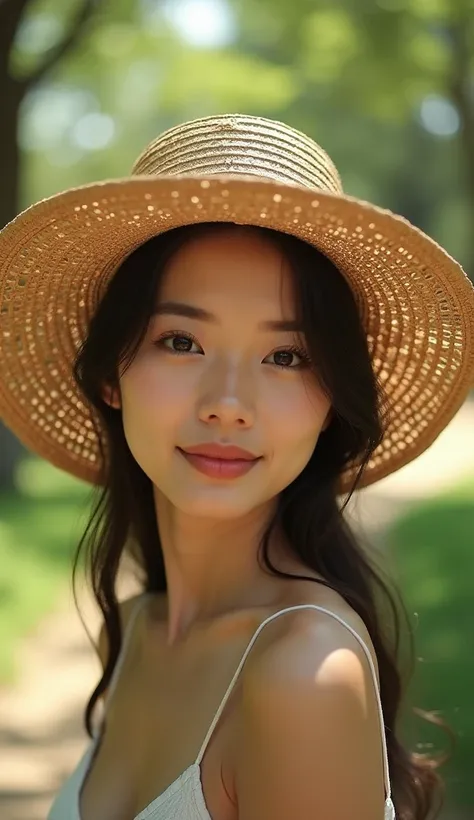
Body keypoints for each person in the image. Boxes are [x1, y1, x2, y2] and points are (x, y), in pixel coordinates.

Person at [0, 114, 473, 820]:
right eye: (181, 341)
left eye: (286, 356)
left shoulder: (302, 675)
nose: (228, 405)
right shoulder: (134, 630)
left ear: (330, 403)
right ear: (110, 375)